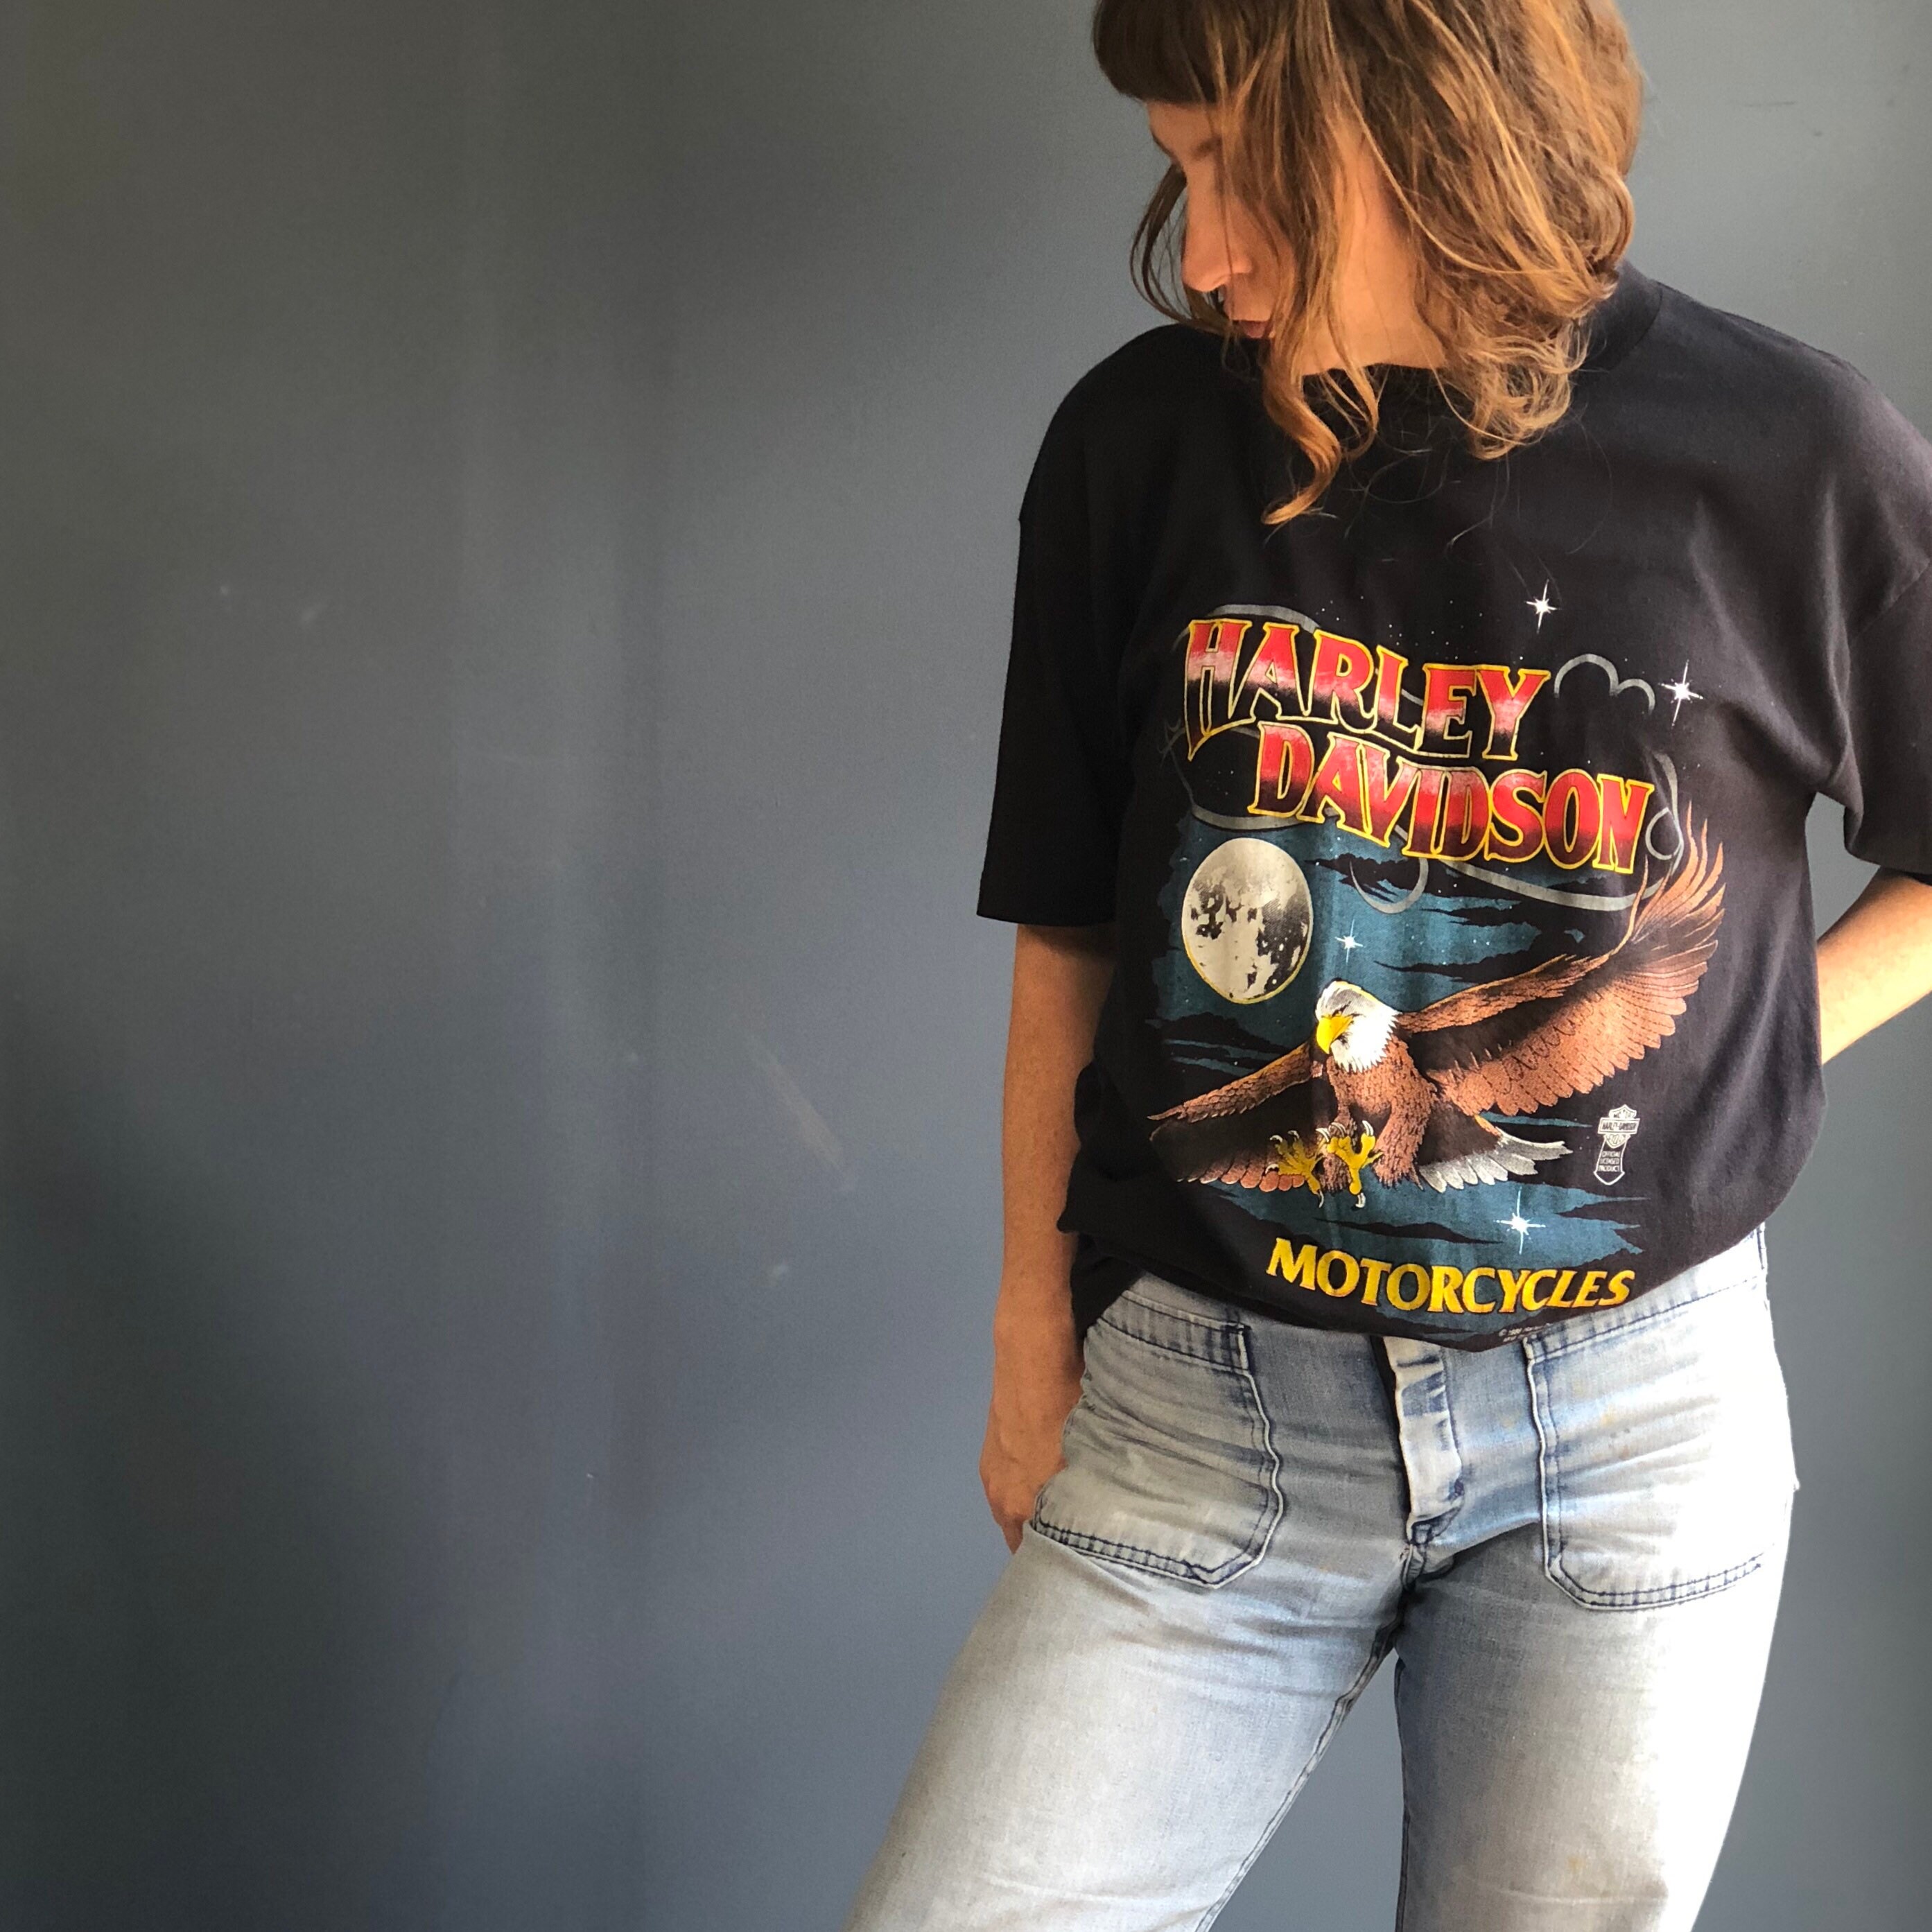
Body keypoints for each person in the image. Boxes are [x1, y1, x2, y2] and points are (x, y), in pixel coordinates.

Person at [843, 2, 1932, 1926]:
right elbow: (1072, 924)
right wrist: (1028, 1326)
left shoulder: (1788, 456)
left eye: (1231, 169)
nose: (1202, 256)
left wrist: (1748, 1049)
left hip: (1623, 1437)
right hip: (1202, 1414)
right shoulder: (1140, 445)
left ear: (1413, 125)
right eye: (1175, 172)